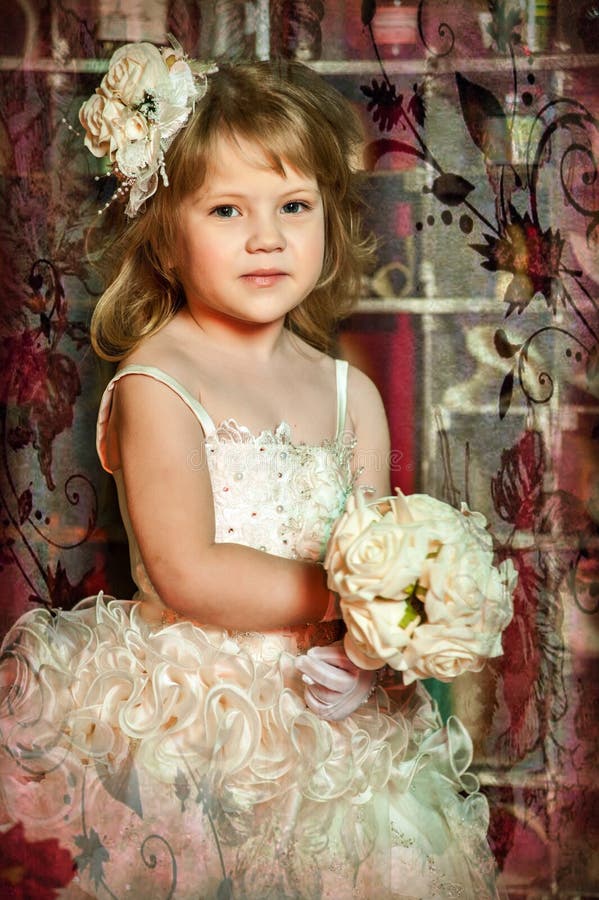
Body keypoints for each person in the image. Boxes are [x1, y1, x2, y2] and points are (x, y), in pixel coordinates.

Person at [0, 42, 501, 898]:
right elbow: (184, 569)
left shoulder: (350, 393)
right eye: (226, 210)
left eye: (293, 205)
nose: (266, 237)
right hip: (198, 721)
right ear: (163, 235)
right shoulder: (162, 379)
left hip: (337, 719)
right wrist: (361, 605)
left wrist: (373, 652)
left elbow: (374, 540)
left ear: (329, 223)